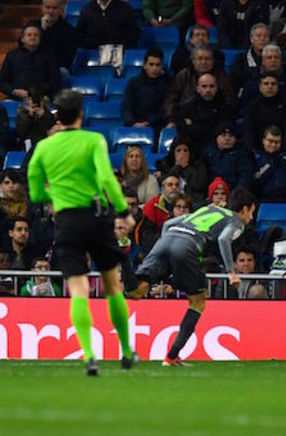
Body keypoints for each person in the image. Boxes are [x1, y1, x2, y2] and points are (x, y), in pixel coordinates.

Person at [27, 89, 137, 375]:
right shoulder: (93, 140)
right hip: (97, 218)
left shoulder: (43, 148)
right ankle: (126, 351)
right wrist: (124, 211)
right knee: (113, 286)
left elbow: (36, 192)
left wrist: (55, 196)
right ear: (80, 114)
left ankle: (89, 355)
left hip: (66, 222)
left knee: (78, 291)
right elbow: (106, 180)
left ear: (57, 116)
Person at [125, 188, 256, 366]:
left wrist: (167, 261)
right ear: (245, 209)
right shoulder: (237, 222)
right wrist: (231, 272)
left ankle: (118, 273)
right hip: (188, 247)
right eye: (252, 212)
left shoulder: (209, 208)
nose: (252, 217)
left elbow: (167, 224)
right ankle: (171, 357)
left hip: (166, 240)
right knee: (198, 302)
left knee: (136, 292)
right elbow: (223, 240)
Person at [75, 0, 140, 50]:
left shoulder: (125, 9)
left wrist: (121, 45)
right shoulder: (87, 10)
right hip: (93, 51)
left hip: (118, 51)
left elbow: (134, 31)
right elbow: (79, 34)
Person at [0, 24, 61, 101]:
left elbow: (55, 81)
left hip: (41, 97)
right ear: (22, 39)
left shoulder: (49, 56)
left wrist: (35, 92)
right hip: (15, 97)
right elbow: (2, 82)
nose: (33, 37)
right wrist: (14, 91)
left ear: (40, 39)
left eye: (36, 35)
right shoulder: (12, 56)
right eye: (29, 35)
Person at [243, 73, 286, 152]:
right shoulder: (252, 107)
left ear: (278, 87)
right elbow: (249, 132)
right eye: (266, 84)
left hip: (282, 149)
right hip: (259, 149)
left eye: (273, 84)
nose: (270, 86)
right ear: (260, 87)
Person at [176, 73, 235, 147]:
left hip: (215, 147)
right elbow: (182, 129)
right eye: (204, 86)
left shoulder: (225, 106)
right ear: (198, 88)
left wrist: (194, 126)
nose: (208, 90)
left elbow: (224, 129)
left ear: (216, 88)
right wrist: (211, 126)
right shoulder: (188, 106)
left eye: (211, 86)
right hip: (193, 146)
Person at [121, 48, 171, 132]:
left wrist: (148, 123)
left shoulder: (168, 84)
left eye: (157, 65)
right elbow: (127, 106)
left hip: (158, 127)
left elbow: (165, 109)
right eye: (151, 64)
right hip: (134, 127)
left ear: (162, 66)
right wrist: (133, 123)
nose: (154, 68)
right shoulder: (133, 83)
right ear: (144, 65)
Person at [252, 125, 286, 201]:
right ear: (263, 141)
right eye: (270, 141)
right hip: (266, 200)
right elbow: (255, 181)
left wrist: (281, 160)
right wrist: (271, 164)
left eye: (277, 142)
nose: (273, 145)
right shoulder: (257, 160)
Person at [155, 136, 208, 205]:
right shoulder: (166, 164)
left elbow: (199, 184)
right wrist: (177, 167)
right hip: (171, 201)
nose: (182, 154)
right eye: (178, 150)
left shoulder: (199, 164)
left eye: (185, 150)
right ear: (173, 153)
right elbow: (164, 182)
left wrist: (186, 168)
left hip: (193, 202)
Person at [204, 122, 255, 190]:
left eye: (231, 135)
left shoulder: (242, 154)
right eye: (223, 135)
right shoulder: (208, 153)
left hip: (234, 195)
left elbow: (245, 176)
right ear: (217, 137)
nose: (227, 138)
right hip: (212, 193)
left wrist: (236, 194)